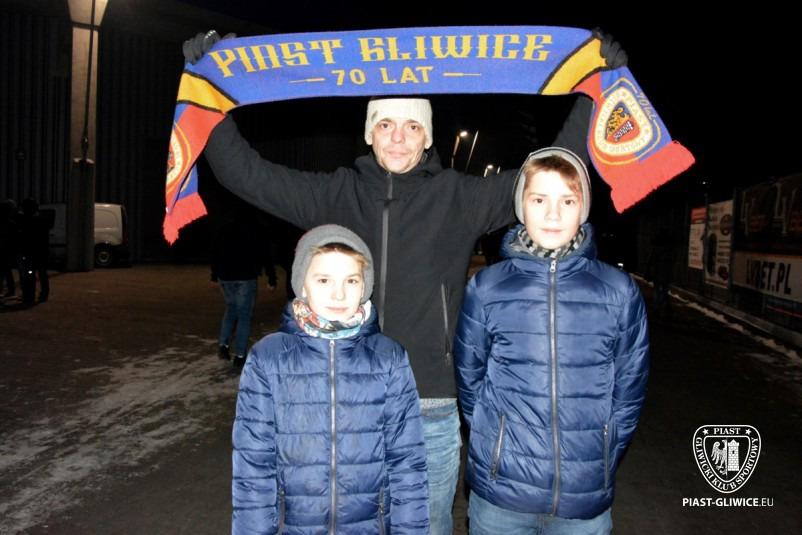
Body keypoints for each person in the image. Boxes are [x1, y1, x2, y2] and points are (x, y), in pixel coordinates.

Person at [184, 30, 626, 534]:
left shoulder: (458, 198)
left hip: (430, 407)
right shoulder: (335, 194)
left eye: (412, 126)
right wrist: (207, 89)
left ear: (427, 137)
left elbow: (551, 171)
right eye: (386, 124)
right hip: (348, 401)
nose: (398, 137)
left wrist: (595, 90)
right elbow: (245, 174)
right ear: (369, 134)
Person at [453, 147, 649, 534]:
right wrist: (496, 442)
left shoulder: (618, 291)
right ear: (521, 206)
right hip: (501, 496)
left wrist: (603, 449)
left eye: (568, 201)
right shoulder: (487, 287)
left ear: (583, 208)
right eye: (539, 199)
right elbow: (469, 379)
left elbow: (630, 388)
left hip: (583, 498)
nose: (553, 214)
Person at [232, 224, 429, 534]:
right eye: (323, 280)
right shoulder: (268, 358)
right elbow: (253, 465)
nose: (339, 294)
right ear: (302, 284)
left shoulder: (388, 357)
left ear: (364, 286)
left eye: (351, 280)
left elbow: (407, 460)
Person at [211, 211, 269, 368]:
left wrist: (214, 276)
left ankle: (224, 345)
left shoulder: (225, 229)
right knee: (244, 316)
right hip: (246, 277)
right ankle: (240, 355)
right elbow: (264, 253)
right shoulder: (254, 231)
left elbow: (216, 252)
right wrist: (271, 277)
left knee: (231, 309)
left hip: (226, 277)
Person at [17, 198, 51, 305]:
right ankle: (43, 294)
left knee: (30, 275)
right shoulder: (42, 219)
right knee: (42, 274)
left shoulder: (27, 221)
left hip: (30, 252)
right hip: (41, 252)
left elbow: (23, 236)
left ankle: (29, 296)